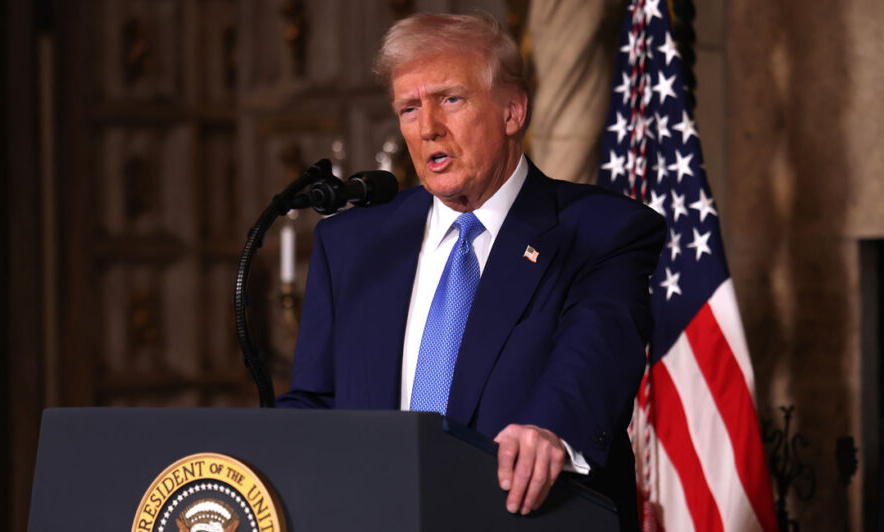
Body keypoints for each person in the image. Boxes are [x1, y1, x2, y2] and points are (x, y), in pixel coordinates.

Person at [277, 12, 665, 529]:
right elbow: (318, 401)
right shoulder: (352, 243)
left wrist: (549, 429)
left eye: (450, 99)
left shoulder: (601, 232)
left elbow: (596, 353)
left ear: (512, 112)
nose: (428, 127)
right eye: (409, 108)